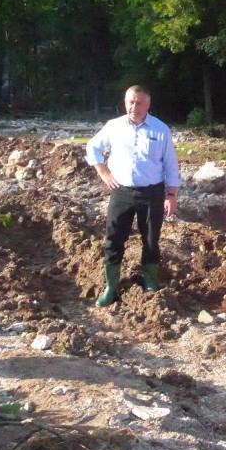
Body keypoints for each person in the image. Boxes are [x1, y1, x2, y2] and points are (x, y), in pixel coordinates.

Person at [85, 85, 180, 307]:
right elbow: (92, 147)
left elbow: (170, 164)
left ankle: (149, 281)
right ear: (125, 102)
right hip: (122, 192)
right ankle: (111, 287)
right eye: (130, 102)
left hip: (152, 193)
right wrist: (103, 172)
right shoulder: (114, 127)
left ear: (148, 104)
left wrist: (171, 194)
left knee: (150, 239)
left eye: (138, 103)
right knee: (114, 239)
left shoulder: (160, 130)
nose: (133, 107)